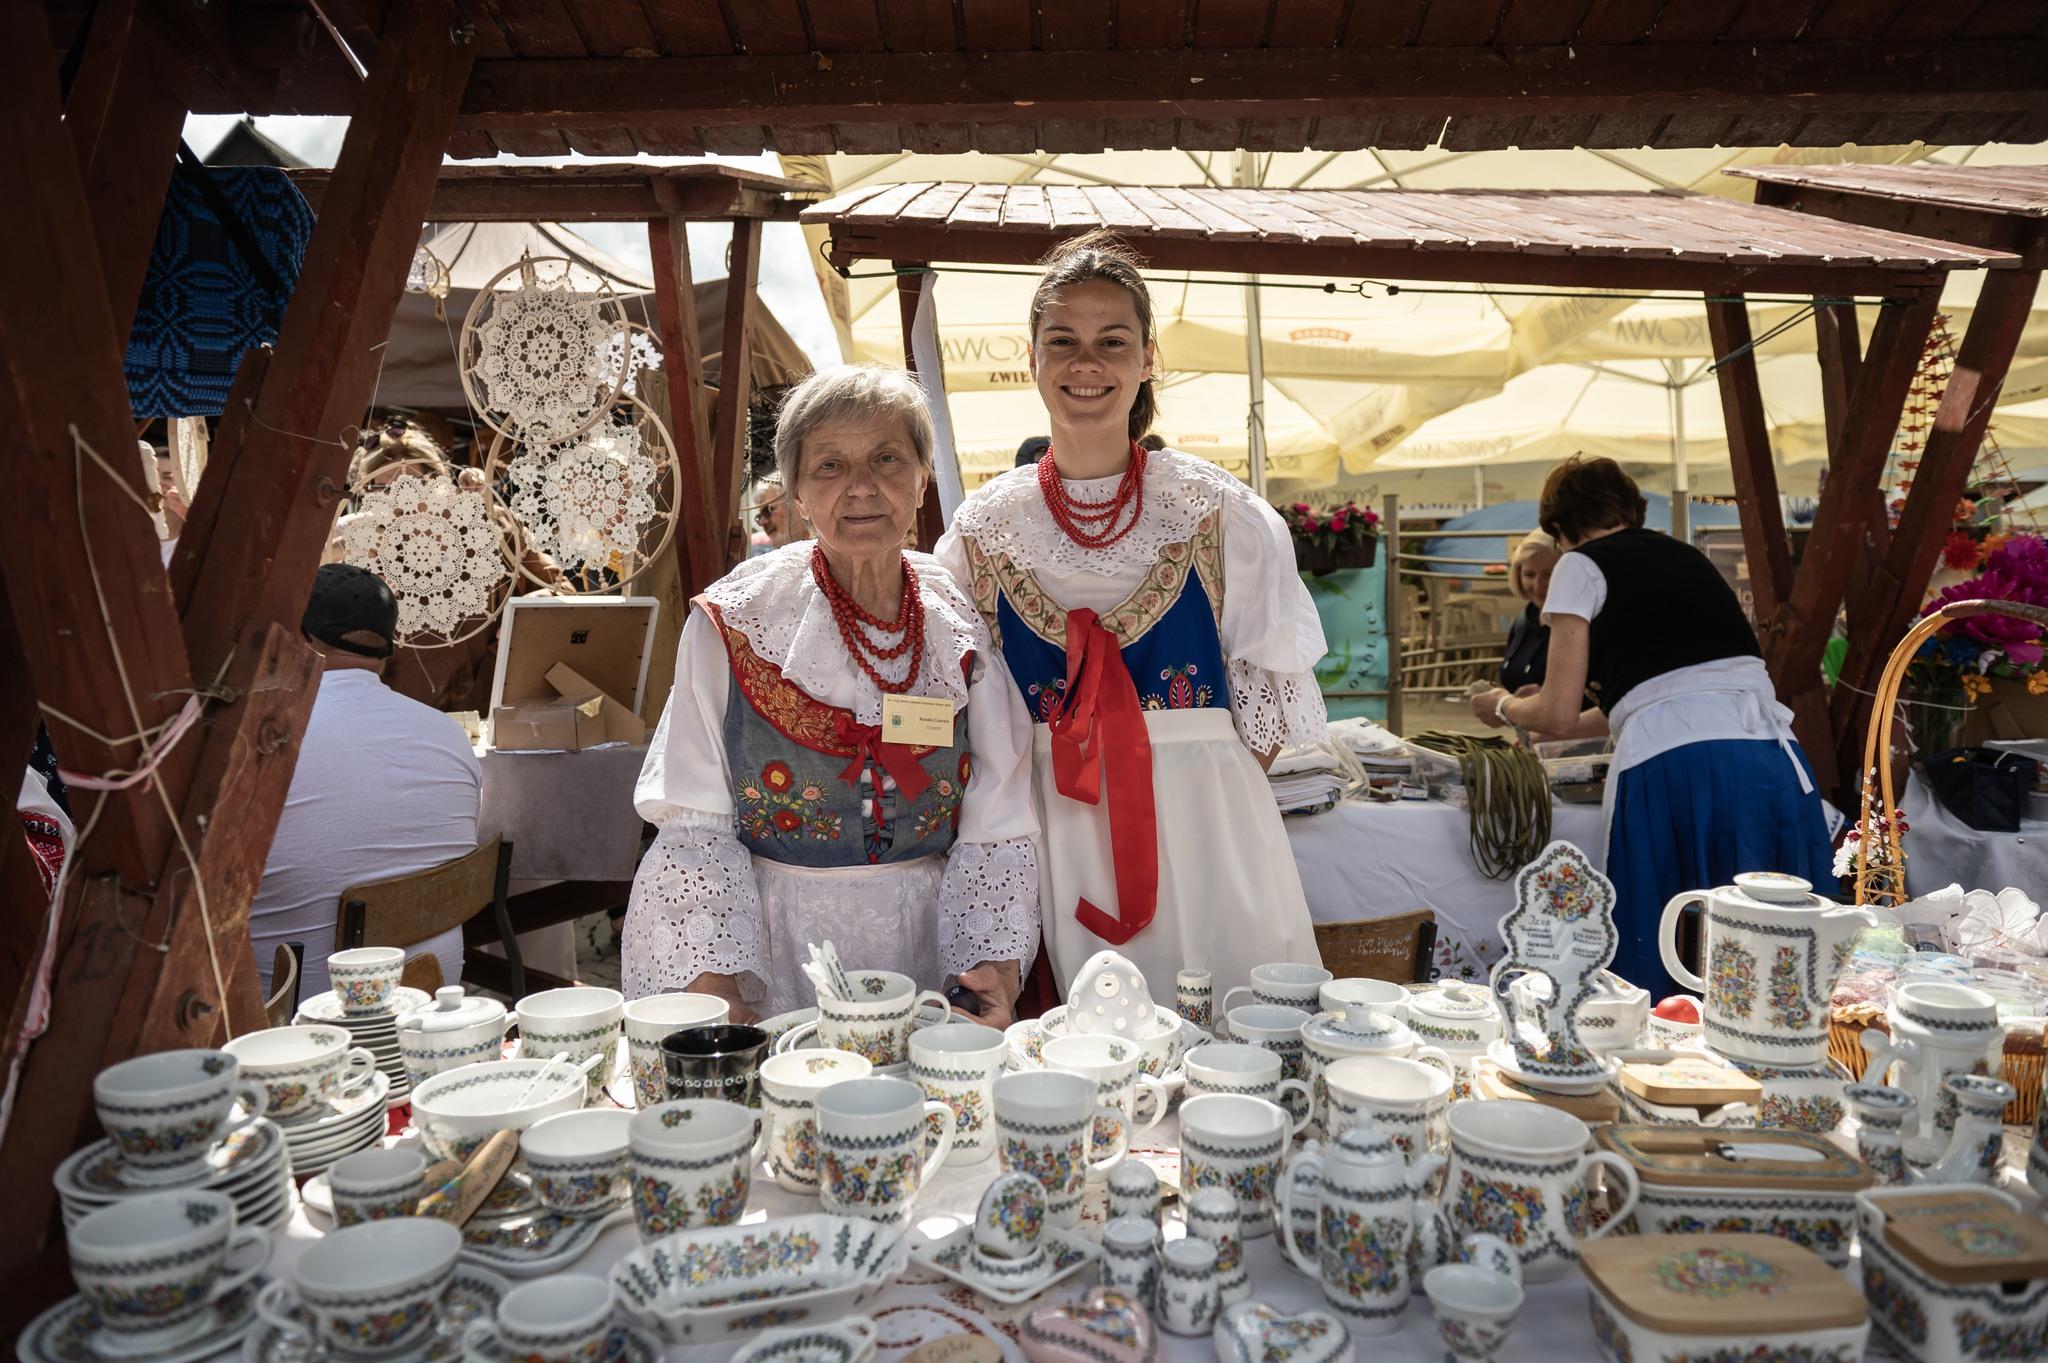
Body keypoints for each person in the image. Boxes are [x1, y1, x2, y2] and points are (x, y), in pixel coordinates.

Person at [935, 231, 1327, 1006]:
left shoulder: (1223, 514)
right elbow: (971, 718)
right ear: (1033, 358)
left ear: (1149, 358)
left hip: (1210, 832)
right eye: (1063, 341)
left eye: (1112, 341)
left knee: (1237, 1039)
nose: (1086, 362)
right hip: (1057, 833)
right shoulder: (980, 533)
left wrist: (1194, 805)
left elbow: (1267, 708)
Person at [623, 364, 1042, 1026]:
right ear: (795, 492)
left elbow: (998, 817)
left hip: (929, 951)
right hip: (776, 956)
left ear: (922, 478)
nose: (862, 486)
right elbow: (694, 823)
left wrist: (990, 967)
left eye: (887, 458)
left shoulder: (958, 620)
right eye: (830, 466)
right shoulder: (737, 621)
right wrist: (716, 985)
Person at [1470, 457, 1833, 999]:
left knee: (1669, 935)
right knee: (1768, 943)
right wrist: (1553, 719)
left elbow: (1558, 712)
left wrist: (1501, 705)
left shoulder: (1579, 564)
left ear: (1560, 526)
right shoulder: (1683, 555)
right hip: (1766, 757)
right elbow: (1658, 690)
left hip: (1679, 767)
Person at [249, 564, 483, 1000]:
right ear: (389, 647)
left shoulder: (268, 741)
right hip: (428, 994)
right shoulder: (449, 736)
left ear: (301, 638)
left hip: (297, 1006)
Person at [1498, 530, 1559, 693]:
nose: (1538, 586)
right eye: (1529, 575)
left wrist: (1546, 698)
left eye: (1549, 575)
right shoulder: (1523, 620)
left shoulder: (1582, 624)